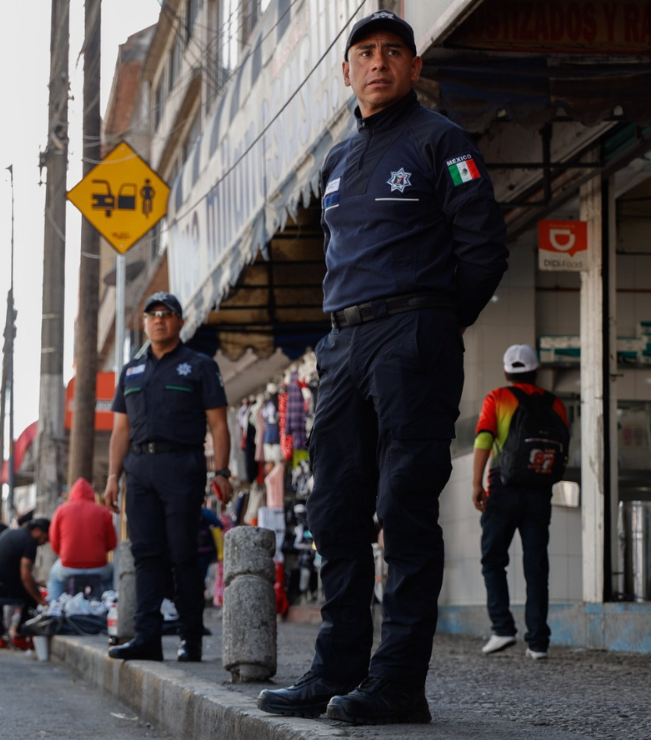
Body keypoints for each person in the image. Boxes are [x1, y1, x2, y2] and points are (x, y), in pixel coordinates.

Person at [256, 10, 508, 726]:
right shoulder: (337, 161)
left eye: (393, 52)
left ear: (413, 66)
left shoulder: (442, 141)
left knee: (403, 508)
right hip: (341, 347)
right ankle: (335, 670)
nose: (377, 63)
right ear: (346, 71)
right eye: (364, 53)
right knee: (335, 510)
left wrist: (433, 321)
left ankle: (398, 682)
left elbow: (484, 248)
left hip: (413, 338)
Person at [104, 291, 233, 663]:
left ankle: (190, 638)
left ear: (179, 321)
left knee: (182, 553)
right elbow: (120, 431)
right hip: (139, 470)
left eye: (166, 313)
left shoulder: (199, 366)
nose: (159, 319)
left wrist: (221, 471)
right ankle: (147, 636)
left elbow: (219, 425)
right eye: (152, 314)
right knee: (145, 554)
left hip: (182, 465)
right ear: (144, 323)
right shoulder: (131, 370)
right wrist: (114, 477)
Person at [473, 344, 567, 661]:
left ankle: (502, 628)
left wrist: (476, 483)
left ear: (506, 372)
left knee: (493, 559)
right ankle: (538, 643)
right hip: (540, 491)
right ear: (535, 372)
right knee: (536, 566)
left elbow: (484, 438)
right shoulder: (556, 404)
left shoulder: (498, 397)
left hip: (503, 488)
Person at [0, 518, 50, 651]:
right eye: (45, 538)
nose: (44, 543)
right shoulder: (29, 542)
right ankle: (19, 635)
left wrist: (34, 583)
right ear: (37, 531)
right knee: (31, 596)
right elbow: (25, 576)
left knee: (29, 589)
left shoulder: (13, 533)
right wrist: (40, 600)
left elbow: (11, 570)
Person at [47, 478, 118, 601]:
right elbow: (112, 544)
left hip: (68, 566)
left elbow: (54, 544)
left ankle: (54, 610)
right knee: (111, 574)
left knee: (54, 577)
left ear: (72, 494)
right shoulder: (103, 511)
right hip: (99, 566)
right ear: (92, 494)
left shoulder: (61, 510)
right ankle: (110, 607)